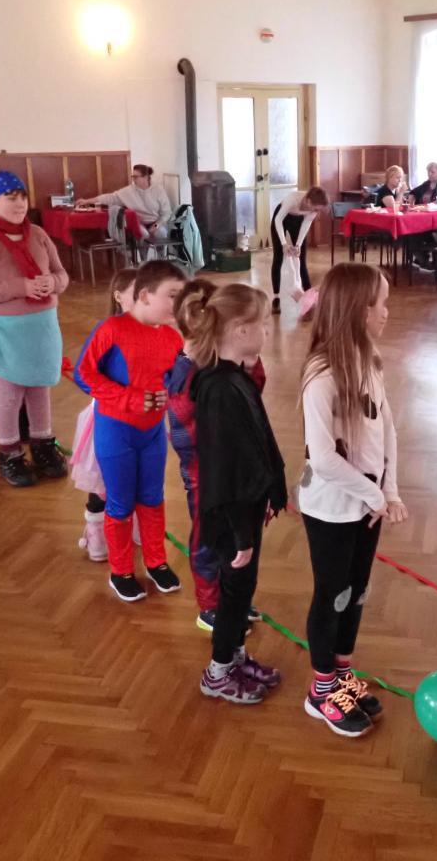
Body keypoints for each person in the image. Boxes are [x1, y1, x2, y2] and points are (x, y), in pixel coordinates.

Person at [298, 263, 408, 738]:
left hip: (367, 505)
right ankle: (321, 690)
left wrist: (389, 491)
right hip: (331, 508)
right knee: (333, 594)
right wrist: (373, 494)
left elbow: (387, 430)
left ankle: (342, 674)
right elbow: (323, 459)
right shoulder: (322, 375)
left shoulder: (369, 361)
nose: (386, 312)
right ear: (359, 310)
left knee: (357, 591)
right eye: (381, 304)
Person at [189, 284, 287, 705]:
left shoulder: (234, 378)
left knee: (242, 591)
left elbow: (255, 444)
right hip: (233, 517)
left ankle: (235, 657)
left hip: (244, 511)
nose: (266, 331)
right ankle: (217, 672)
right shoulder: (220, 389)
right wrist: (241, 534)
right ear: (240, 329)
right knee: (233, 595)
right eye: (262, 324)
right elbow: (226, 468)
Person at [75, 260, 187, 602]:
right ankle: (120, 570)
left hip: (152, 433)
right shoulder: (112, 329)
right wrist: (128, 398)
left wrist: (169, 393)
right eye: (172, 295)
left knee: (152, 496)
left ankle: (156, 561)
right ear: (145, 295)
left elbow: (173, 379)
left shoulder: (171, 336)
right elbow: (84, 374)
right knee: (121, 501)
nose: (178, 304)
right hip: (116, 431)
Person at [167, 278, 267, 632]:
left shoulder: (220, 367)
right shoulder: (189, 374)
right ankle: (210, 605)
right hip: (205, 479)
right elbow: (186, 435)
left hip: (229, 475)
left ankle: (231, 597)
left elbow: (251, 397)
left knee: (234, 543)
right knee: (208, 540)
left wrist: (250, 363)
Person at [0, 171, 70, 486]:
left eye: (22, 197)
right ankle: (9, 453)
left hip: (42, 326)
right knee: (10, 393)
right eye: (11, 198)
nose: (20, 204)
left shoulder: (38, 234)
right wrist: (20, 287)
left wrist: (53, 282)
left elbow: (62, 275)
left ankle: (43, 445)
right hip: (6, 329)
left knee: (40, 388)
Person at [73, 268, 139, 562]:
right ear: (118, 297)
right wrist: (117, 396)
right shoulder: (107, 330)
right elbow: (83, 374)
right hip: (107, 419)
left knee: (135, 475)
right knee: (101, 479)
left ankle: (130, 526)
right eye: (138, 294)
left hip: (140, 421)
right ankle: (97, 535)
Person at [77, 163, 174, 251]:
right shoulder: (129, 191)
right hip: (139, 222)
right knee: (143, 234)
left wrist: (156, 225)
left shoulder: (158, 190)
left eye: (136, 177)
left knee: (161, 233)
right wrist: (87, 201)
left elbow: (167, 213)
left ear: (145, 177)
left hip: (156, 222)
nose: (134, 179)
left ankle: (162, 260)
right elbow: (110, 197)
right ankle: (143, 261)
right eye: (133, 177)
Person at [269, 186, 329, 313]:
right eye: (316, 208)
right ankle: (276, 298)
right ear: (308, 201)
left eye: (318, 209)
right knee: (278, 257)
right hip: (281, 218)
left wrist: (298, 245)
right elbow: (278, 220)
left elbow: (306, 224)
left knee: (301, 259)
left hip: (297, 221)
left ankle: (309, 297)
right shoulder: (293, 199)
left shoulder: (314, 210)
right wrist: (284, 244)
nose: (317, 212)